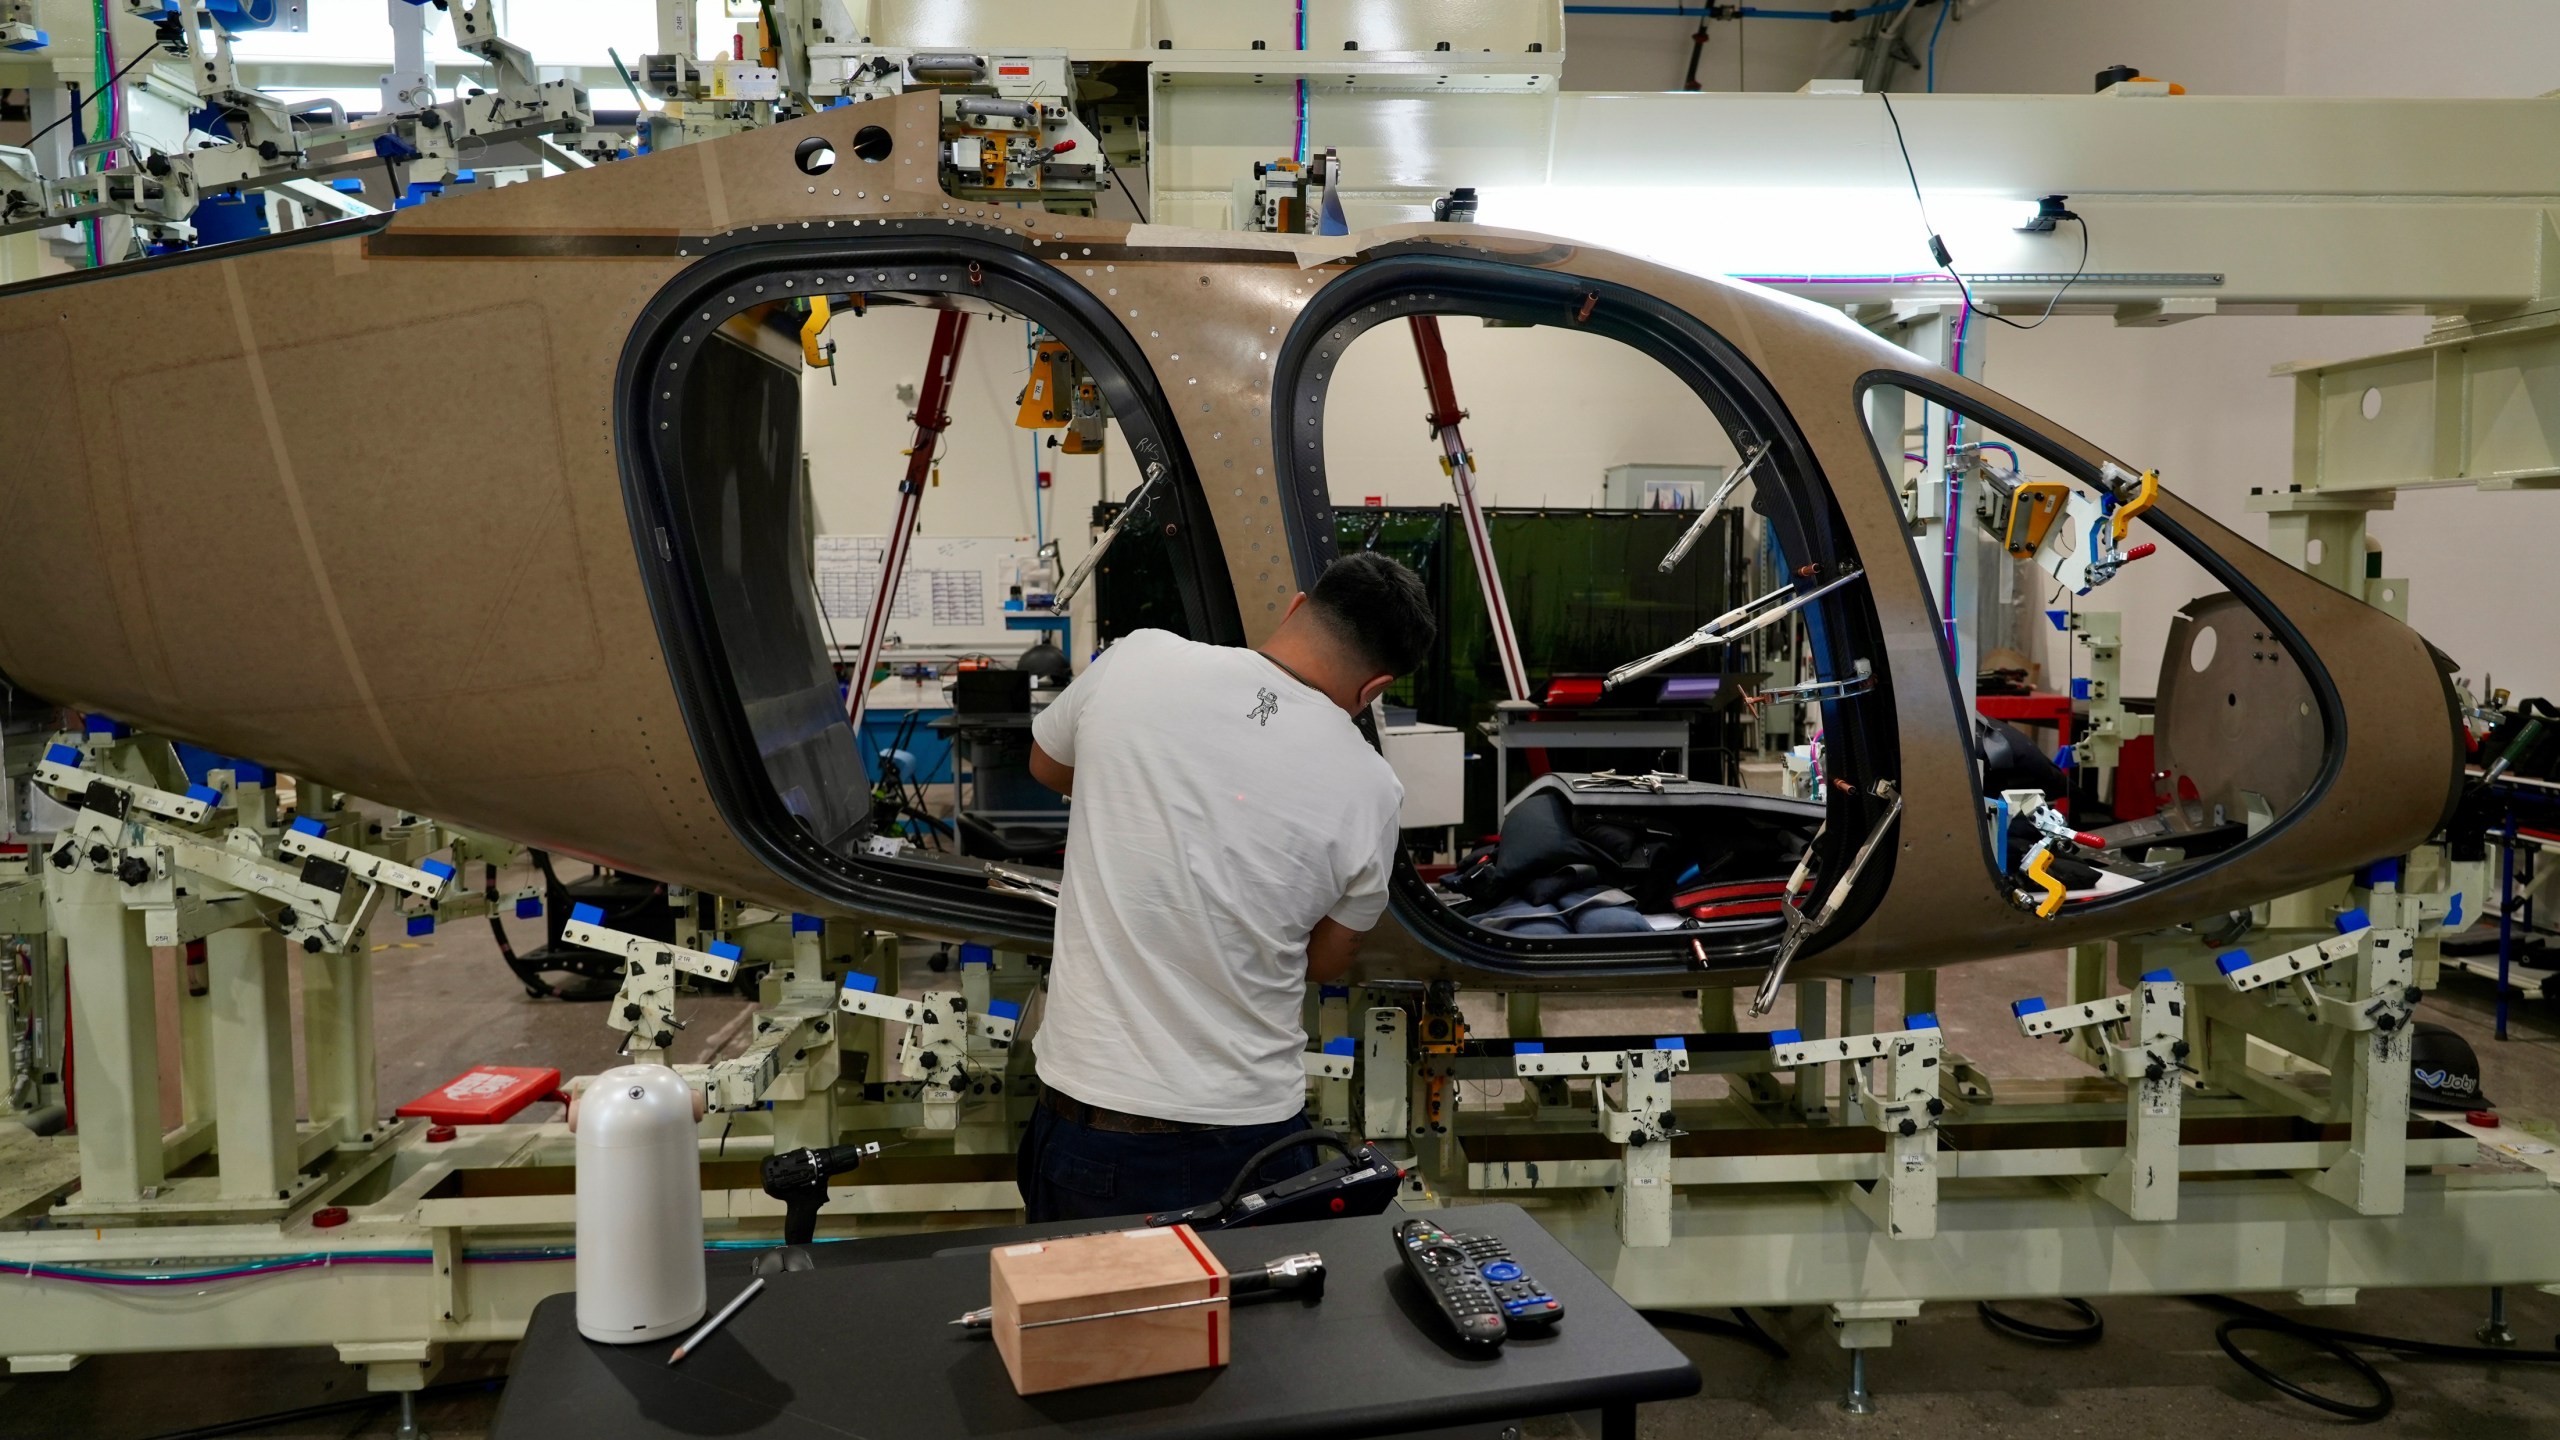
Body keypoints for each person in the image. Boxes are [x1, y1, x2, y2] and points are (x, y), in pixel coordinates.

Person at [1016, 552, 1436, 1222]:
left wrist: (1131, 804)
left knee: (1088, 1326)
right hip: (1249, 1137)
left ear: (1298, 606)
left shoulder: (1135, 661)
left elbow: (1047, 762)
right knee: (1249, 1327)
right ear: (1375, 688)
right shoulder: (1371, 790)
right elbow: (1326, 963)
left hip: (1090, 1124)